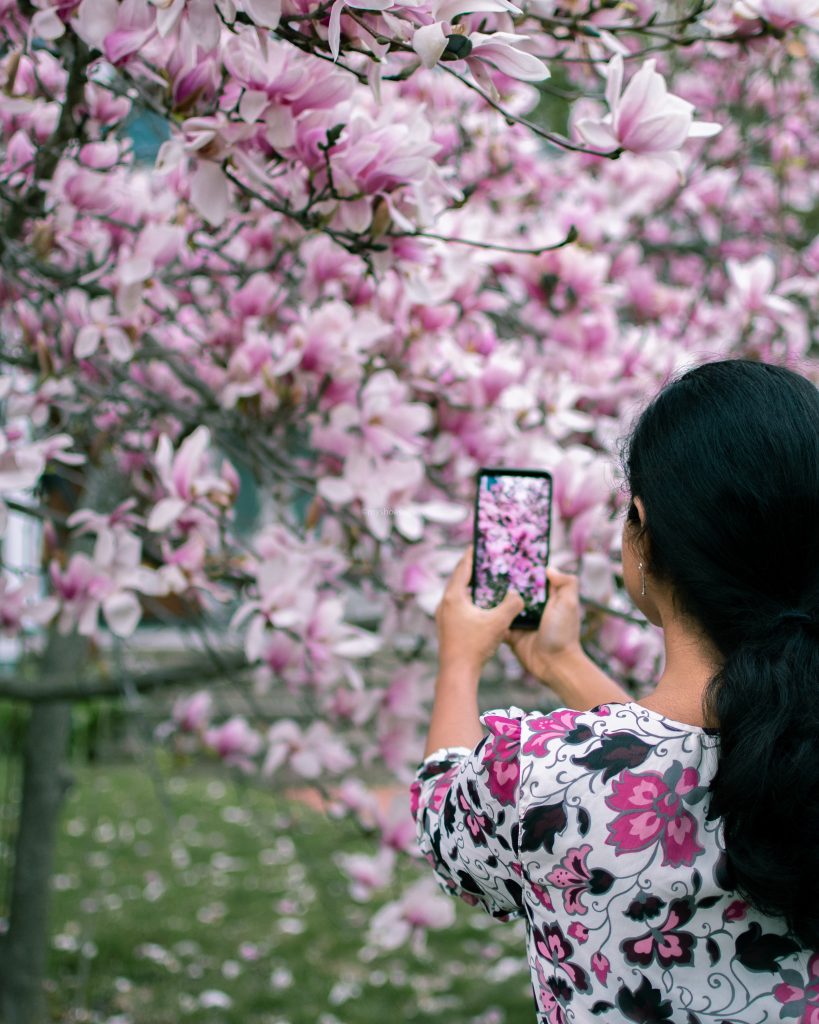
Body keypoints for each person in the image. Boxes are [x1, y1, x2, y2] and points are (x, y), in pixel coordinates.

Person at [410, 359, 819, 1024]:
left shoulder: (541, 775)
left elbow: (441, 820)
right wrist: (563, 664)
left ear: (640, 531)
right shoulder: (791, 745)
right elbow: (702, 739)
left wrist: (459, 658)